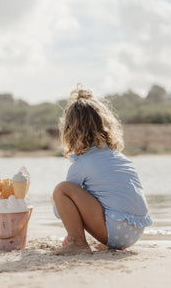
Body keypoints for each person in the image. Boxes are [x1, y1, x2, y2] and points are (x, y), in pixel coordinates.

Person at [53, 83, 152, 255]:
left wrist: (69, 219)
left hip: (117, 231)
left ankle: (78, 243)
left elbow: (60, 211)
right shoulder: (120, 158)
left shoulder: (81, 164)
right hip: (136, 231)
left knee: (62, 190)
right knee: (99, 193)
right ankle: (106, 242)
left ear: (70, 131)